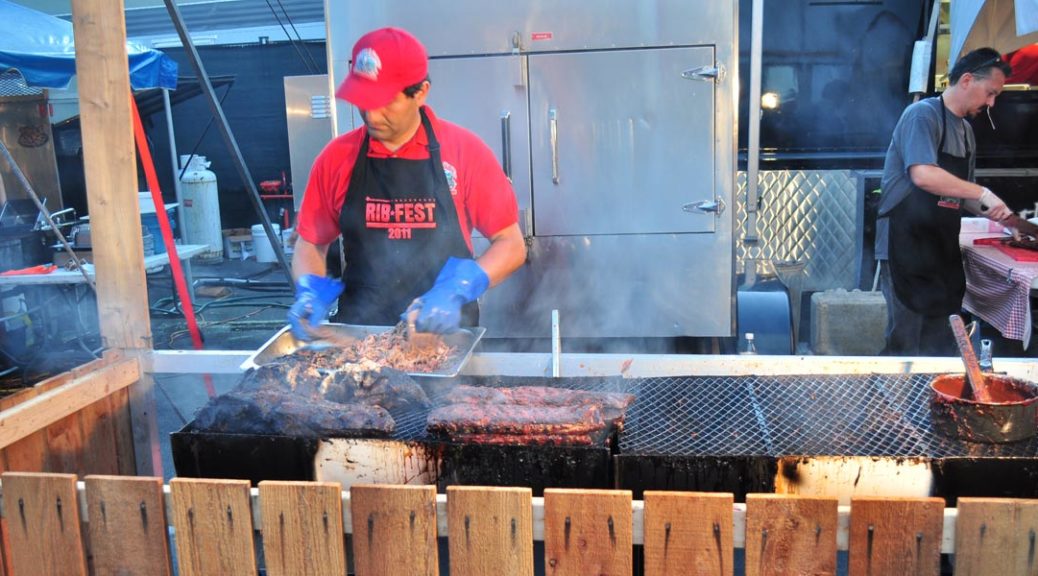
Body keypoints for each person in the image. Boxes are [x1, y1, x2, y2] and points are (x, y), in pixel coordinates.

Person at [288, 27, 526, 339]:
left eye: (385, 101)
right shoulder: (336, 158)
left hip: (444, 337)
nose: (371, 115)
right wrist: (308, 290)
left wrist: (458, 288)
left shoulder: (465, 153)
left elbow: (511, 244)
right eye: (363, 100)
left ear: (421, 92)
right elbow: (311, 242)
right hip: (360, 338)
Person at [874, 47, 1014, 356]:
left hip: (940, 247)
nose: (991, 103)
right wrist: (981, 194)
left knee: (940, 342)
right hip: (904, 245)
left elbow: (964, 193)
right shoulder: (922, 115)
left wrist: (999, 213)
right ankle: (889, 403)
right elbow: (923, 175)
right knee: (905, 341)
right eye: (990, 93)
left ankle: (933, 403)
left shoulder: (965, 132)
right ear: (966, 80)